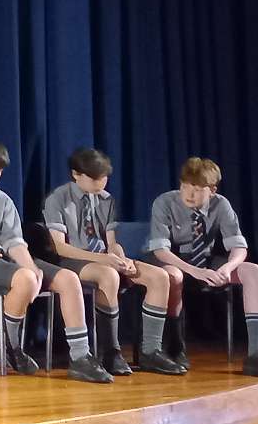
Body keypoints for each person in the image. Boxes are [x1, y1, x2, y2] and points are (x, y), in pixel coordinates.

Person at [0, 137, 111, 382]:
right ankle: (11, 344)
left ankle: (80, 357)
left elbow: (14, 242)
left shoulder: (2, 200)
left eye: (0, 171)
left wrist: (31, 266)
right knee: (25, 278)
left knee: (67, 279)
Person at [41, 148, 185, 376]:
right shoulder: (57, 199)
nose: (101, 183)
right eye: (94, 178)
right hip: (73, 260)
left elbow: (111, 242)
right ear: (76, 174)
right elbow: (60, 247)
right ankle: (110, 352)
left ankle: (151, 351)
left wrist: (121, 257)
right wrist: (104, 260)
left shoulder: (106, 200)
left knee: (159, 276)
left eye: (104, 178)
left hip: (104, 258)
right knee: (108, 275)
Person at [147, 157, 258, 378]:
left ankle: (256, 355)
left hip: (206, 260)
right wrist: (194, 271)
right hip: (174, 261)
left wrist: (227, 268)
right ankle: (175, 345)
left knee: (253, 271)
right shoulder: (164, 202)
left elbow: (238, 246)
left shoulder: (221, 204)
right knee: (174, 275)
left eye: (197, 189)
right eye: (185, 186)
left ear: (212, 190)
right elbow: (160, 251)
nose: (189, 193)